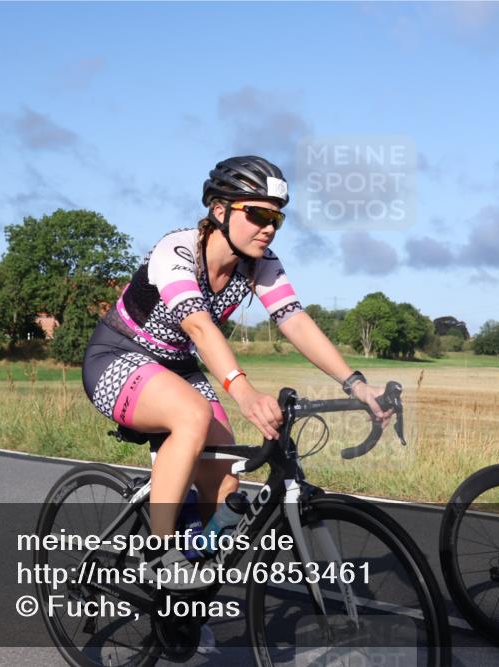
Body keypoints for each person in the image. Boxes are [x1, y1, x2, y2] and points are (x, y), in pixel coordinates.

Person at [81, 155, 391, 575]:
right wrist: (243, 391)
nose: (268, 227)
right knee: (191, 415)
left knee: (226, 486)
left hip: (177, 368)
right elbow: (199, 327)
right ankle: (159, 554)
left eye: (276, 219)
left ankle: (185, 603)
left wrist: (356, 384)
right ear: (220, 210)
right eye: (258, 214)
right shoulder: (177, 250)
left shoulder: (259, 264)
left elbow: (294, 321)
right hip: (118, 356)